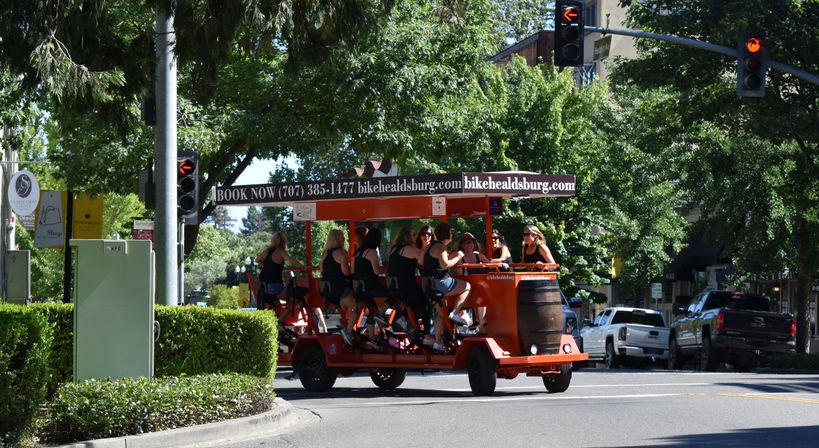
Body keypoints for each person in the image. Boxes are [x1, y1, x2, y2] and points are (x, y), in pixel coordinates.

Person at [421, 222, 471, 351]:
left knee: (440, 313)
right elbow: (445, 265)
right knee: (467, 286)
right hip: (441, 282)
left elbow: (422, 261)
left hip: (429, 284)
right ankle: (455, 313)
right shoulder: (440, 246)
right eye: (451, 232)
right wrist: (459, 256)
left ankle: (438, 342)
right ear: (448, 234)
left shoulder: (430, 246)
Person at [388, 226, 433, 346]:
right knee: (425, 304)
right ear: (406, 237)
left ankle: (403, 319)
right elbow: (424, 260)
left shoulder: (394, 249)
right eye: (414, 235)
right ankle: (428, 335)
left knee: (414, 302)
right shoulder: (409, 249)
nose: (416, 237)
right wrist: (427, 245)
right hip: (407, 285)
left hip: (396, 287)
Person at [352, 227, 390, 346]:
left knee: (370, 309)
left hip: (360, 289)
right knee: (394, 294)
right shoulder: (372, 251)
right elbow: (377, 271)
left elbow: (353, 271)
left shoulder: (357, 252)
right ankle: (380, 315)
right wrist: (390, 266)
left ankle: (372, 338)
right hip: (371, 287)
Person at [255, 232, 304, 322]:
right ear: (284, 242)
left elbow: (257, 260)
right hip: (273, 286)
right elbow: (291, 259)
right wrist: (302, 266)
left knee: (278, 305)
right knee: (295, 300)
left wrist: (266, 265)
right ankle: (279, 323)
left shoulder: (267, 251)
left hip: (261, 287)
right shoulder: (280, 251)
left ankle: (275, 326)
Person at [319, 229, 356, 345]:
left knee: (345, 306)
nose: (344, 239)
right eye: (342, 237)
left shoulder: (325, 253)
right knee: (359, 306)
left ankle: (343, 324)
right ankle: (348, 331)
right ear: (338, 239)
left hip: (328, 291)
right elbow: (346, 272)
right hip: (341, 288)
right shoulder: (342, 253)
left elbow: (321, 271)